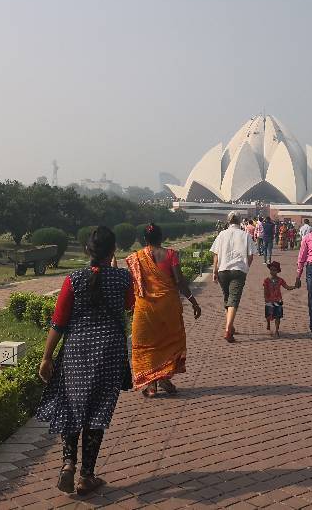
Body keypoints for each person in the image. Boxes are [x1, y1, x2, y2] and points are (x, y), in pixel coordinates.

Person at [36, 226, 133, 495]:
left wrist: (46, 357)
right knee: (97, 411)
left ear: (86, 250)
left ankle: (68, 463)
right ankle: (86, 476)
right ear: (113, 251)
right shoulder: (123, 278)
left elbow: (58, 322)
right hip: (109, 352)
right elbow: (127, 305)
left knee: (71, 404)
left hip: (77, 350)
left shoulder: (73, 279)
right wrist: (114, 270)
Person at [125, 223, 202, 398]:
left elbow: (134, 284)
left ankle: (150, 384)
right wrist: (193, 302)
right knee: (169, 342)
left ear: (144, 239)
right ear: (162, 237)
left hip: (145, 309)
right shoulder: (171, 255)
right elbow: (180, 281)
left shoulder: (135, 258)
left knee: (146, 345)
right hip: (168, 307)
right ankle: (164, 377)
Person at [211, 210, 255, 342]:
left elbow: (216, 255)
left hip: (223, 270)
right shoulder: (245, 235)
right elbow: (251, 255)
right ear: (240, 221)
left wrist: (214, 271)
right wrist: (246, 268)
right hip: (238, 270)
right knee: (234, 300)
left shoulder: (222, 234)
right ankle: (228, 330)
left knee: (227, 299)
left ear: (228, 221)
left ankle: (231, 326)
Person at [263, 260, 297, 336]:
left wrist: (294, 286)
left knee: (278, 316)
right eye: (271, 270)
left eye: (274, 270)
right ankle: (268, 324)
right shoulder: (266, 280)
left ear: (277, 271)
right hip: (269, 300)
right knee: (268, 315)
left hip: (278, 300)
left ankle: (276, 330)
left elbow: (287, 287)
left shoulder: (280, 280)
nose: (272, 272)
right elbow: (265, 290)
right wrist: (266, 298)